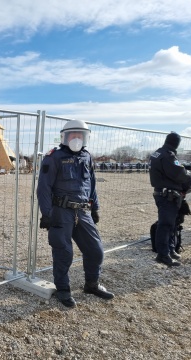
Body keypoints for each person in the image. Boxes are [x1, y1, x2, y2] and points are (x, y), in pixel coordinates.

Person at [37, 120, 114, 308]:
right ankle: (63, 289)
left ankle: (92, 285)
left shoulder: (87, 157)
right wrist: (46, 213)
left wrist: (95, 208)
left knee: (95, 251)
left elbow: (92, 185)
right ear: (65, 137)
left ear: (86, 137)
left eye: (80, 135)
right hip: (61, 212)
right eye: (73, 135)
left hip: (83, 211)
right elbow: (43, 187)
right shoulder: (54, 157)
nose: (77, 139)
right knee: (64, 253)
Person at [149, 132, 191, 266]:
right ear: (176, 143)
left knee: (171, 224)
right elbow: (179, 174)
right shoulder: (168, 155)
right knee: (166, 225)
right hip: (167, 195)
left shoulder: (158, 153)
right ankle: (163, 254)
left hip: (163, 194)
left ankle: (169, 249)